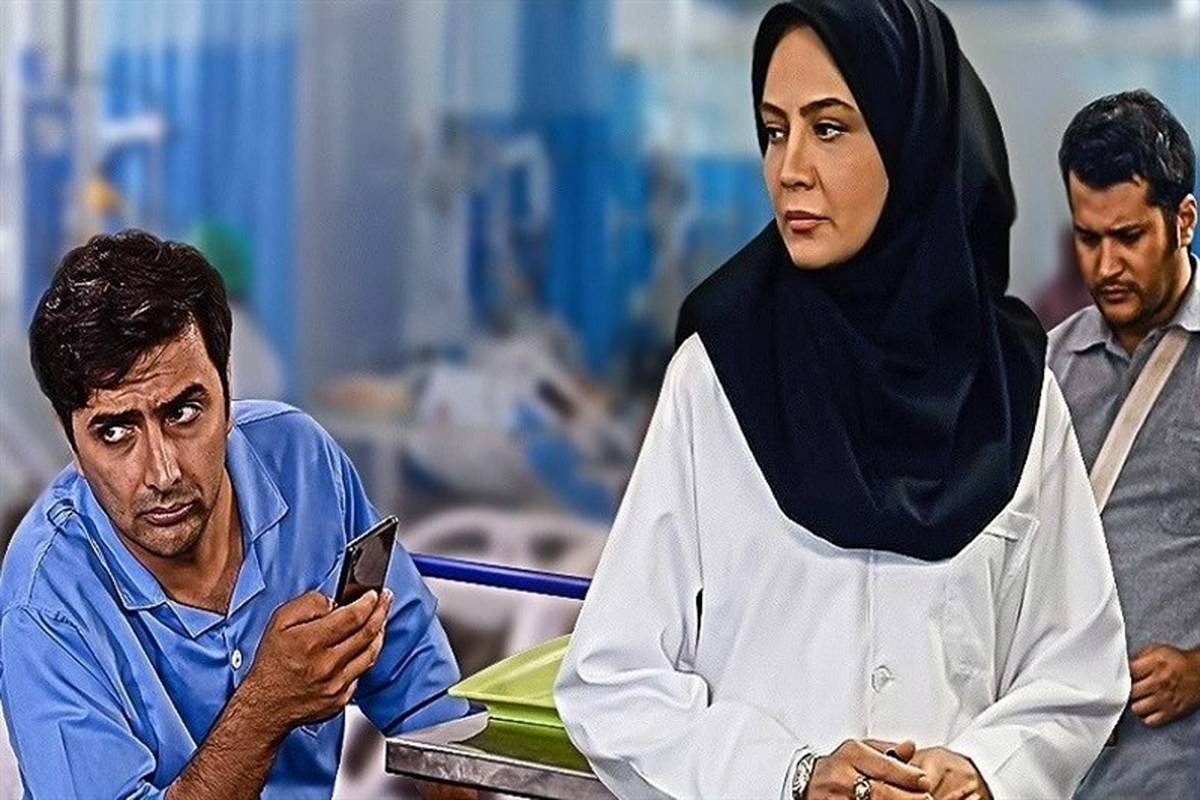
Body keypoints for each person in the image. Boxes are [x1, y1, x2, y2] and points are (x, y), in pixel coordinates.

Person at [554, 2, 1129, 799]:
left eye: (828, 128)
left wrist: (985, 768)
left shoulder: (1014, 393)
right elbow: (611, 679)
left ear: (912, 139)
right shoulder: (719, 374)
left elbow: (1079, 670)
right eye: (773, 130)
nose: (789, 167)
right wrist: (788, 777)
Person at [0, 230, 468, 798]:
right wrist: (264, 708)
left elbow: (428, 708)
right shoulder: (45, 603)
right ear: (71, 440)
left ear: (227, 392)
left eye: (184, 412)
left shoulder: (302, 463)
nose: (162, 473)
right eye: (115, 432)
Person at [1047, 90, 1199, 799]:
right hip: (1060, 766)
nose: (1106, 264)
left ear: (1184, 221)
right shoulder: (1047, 369)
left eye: (1129, 237)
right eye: (1088, 238)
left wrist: (1199, 670)